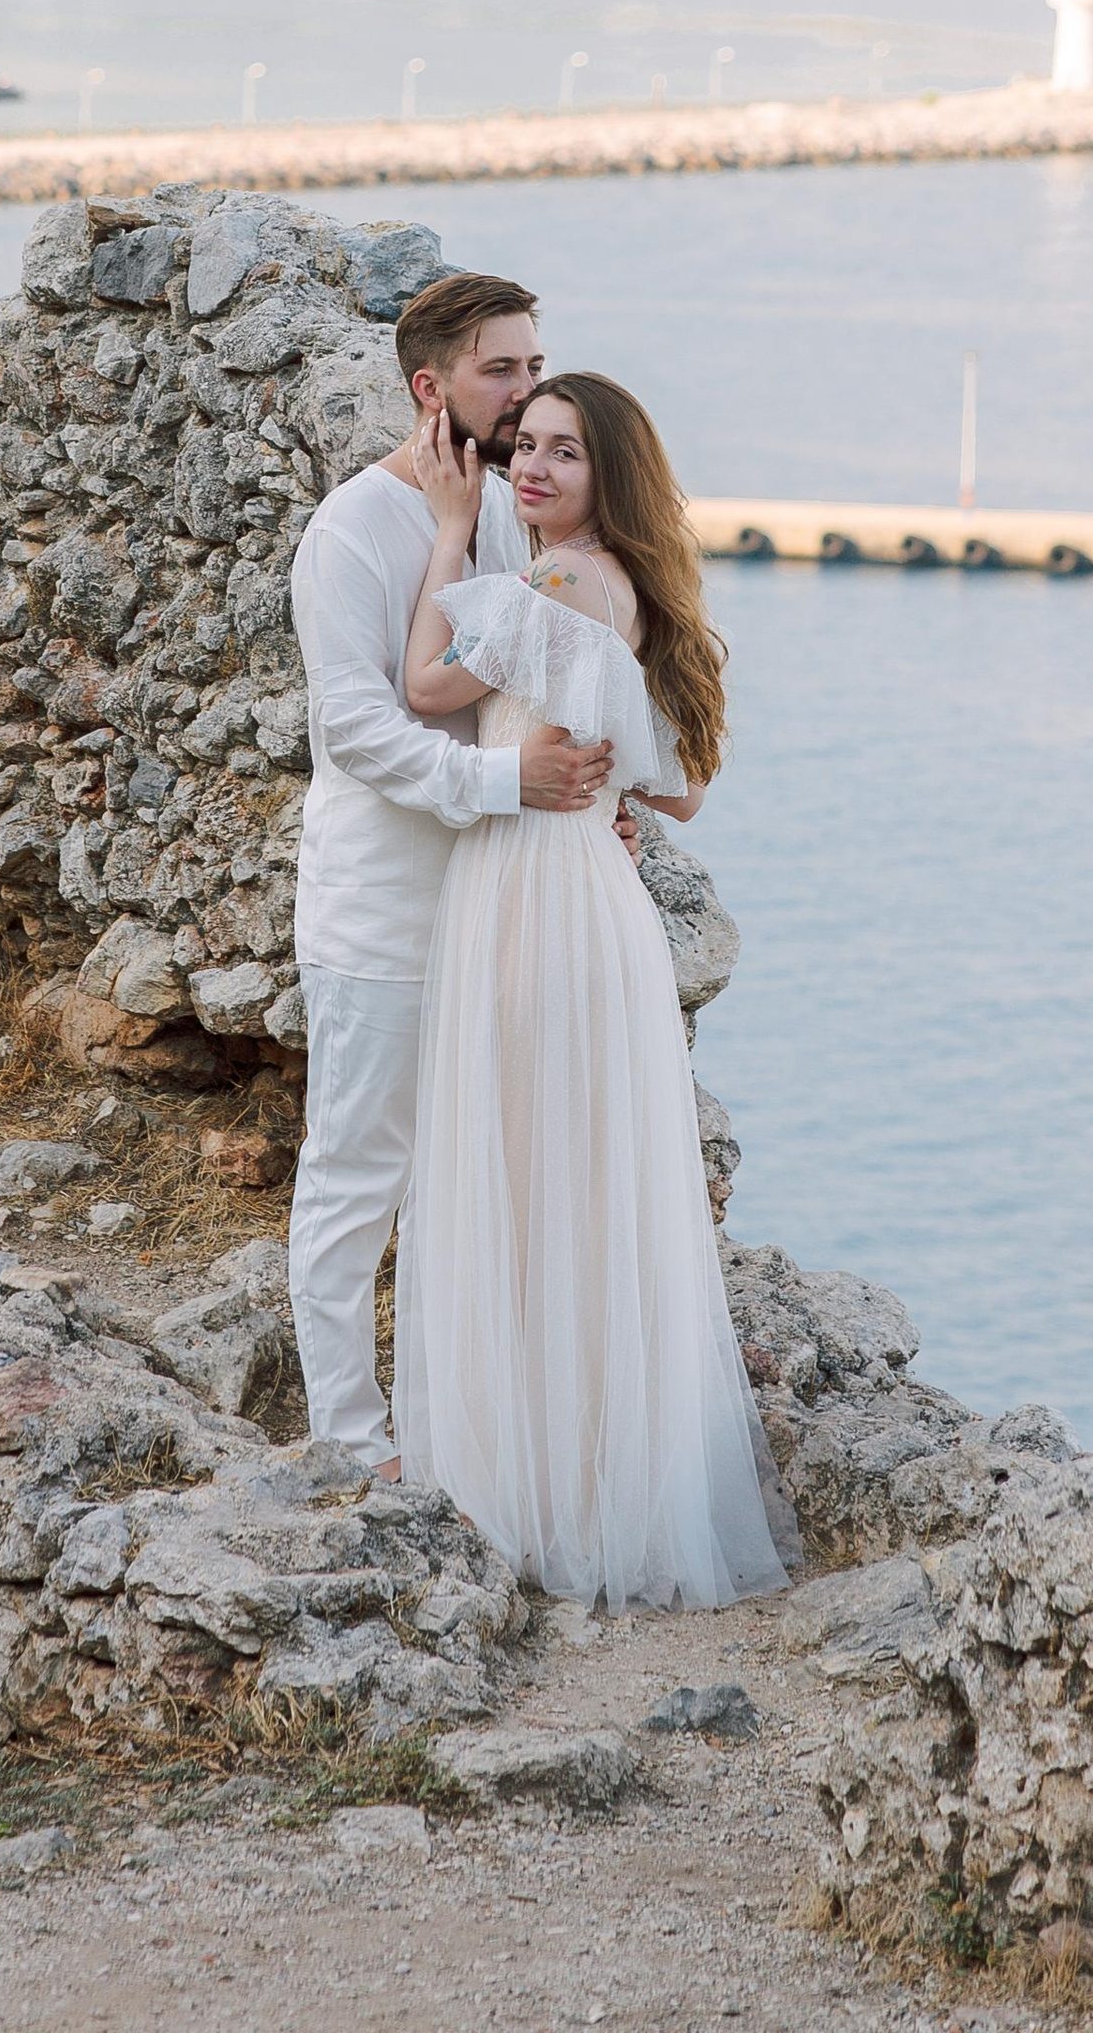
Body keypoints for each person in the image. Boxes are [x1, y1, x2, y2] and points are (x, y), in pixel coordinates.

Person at [391, 371, 788, 1611]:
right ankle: (585, 1480)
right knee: (577, 1183)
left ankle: (531, 1494)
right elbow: (680, 791)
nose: (534, 468)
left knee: (519, 1175)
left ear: (610, 473)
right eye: (528, 447)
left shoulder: (557, 580)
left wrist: (453, 531)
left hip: (530, 895)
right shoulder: (624, 586)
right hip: (581, 892)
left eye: (566, 452)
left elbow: (423, 690)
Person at [285, 272, 618, 1468]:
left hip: (495, 909)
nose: (527, 392)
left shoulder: (503, 512)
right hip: (381, 913)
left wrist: (589, 798)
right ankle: (348, 1435)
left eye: (535, 365)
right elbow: (358, 730)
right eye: (502, 371)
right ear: (430, 388)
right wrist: (507, 785)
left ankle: (454, 1426)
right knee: (356, 1177)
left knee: (471, 1180)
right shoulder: (350, 532)